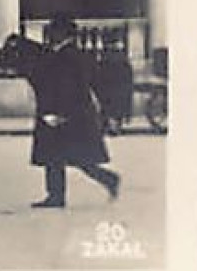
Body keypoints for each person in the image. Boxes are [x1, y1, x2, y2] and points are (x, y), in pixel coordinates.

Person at [27, 16, 120, 208]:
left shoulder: (68, 55)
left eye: (53, 31)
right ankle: (56, 195)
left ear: (63, 33)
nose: (50, 35)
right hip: (71, 112)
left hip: (68, 113)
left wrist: (58, 113)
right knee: (57, 156)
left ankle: (108, 179)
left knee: (73, 157)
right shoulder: (70, 53)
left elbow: (70, 87)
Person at [94, 34, 135, 136]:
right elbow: (127, 71)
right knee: (115, 109)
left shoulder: (105, 55)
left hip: (110, 86)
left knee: (109, 108)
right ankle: (112, 126)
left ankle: (110, 127)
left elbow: (101, 71)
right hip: (118, 86)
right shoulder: (120, 55)